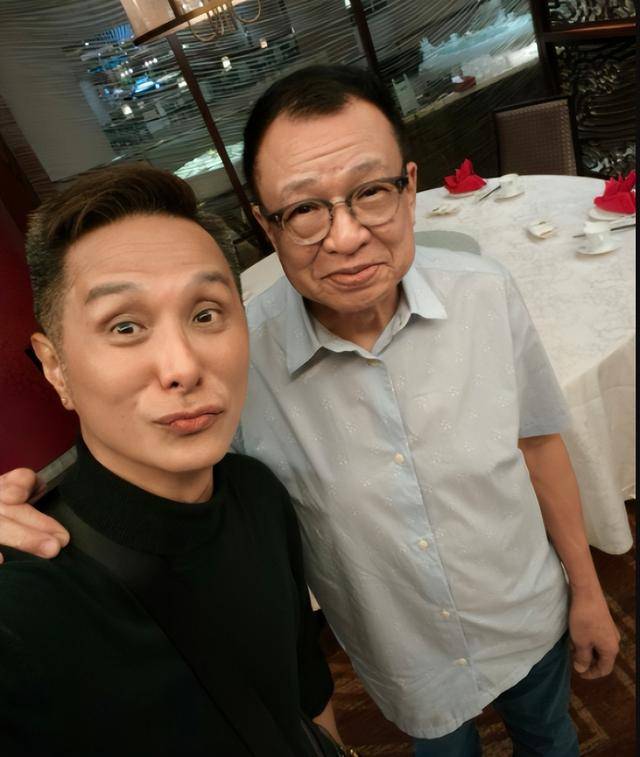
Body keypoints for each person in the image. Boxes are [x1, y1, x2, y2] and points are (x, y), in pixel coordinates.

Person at [0, 66, 620, 756]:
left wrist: (587, 590)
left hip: (527, 616)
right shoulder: (237, 364)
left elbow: (538, 445)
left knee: (551, 739)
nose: (347, 236)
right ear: (266, 225)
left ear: (410, 188)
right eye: (303, 209)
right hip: (410, 668)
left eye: (371, 191)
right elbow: (156, 503)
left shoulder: (486, 293)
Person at [0, 165, 343, 756]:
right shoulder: (23, 602)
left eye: (205, 314)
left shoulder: (259, 495)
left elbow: (304, 691)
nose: (182, 366)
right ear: (56, 367)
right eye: (125, 326)